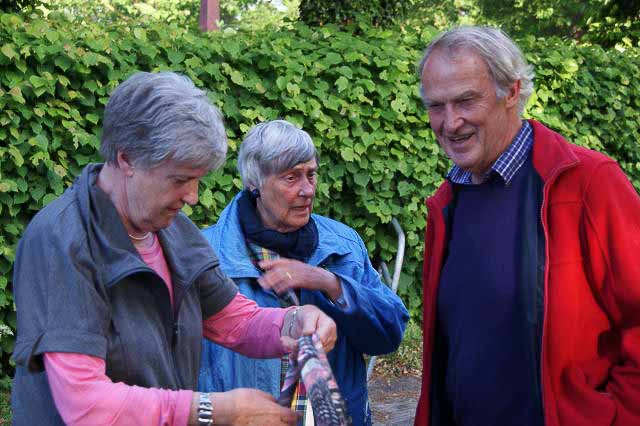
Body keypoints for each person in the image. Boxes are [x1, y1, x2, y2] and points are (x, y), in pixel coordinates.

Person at [11, 71, 337, 426]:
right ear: (127, 159)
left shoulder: (172, 229)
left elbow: (235, 321)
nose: (193, 197)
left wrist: (293, 322)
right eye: (180, 179)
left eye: (197, 180)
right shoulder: (62, 240)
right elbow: (86, 404)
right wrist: (215, 410)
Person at [415, 26, 640, 426]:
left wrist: (611, 416)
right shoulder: (446, 205)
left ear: (512, 92)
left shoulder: (587, 183)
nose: (450, 123)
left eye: (466, 100)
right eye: (436, 106)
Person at [197, 119, 409, 425]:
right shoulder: (207, 255)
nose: (307, 190)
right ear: (255, 183)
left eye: (311, 174)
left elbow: (388, 336)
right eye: (291, 177)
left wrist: (330, 283)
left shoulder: (342, 246)